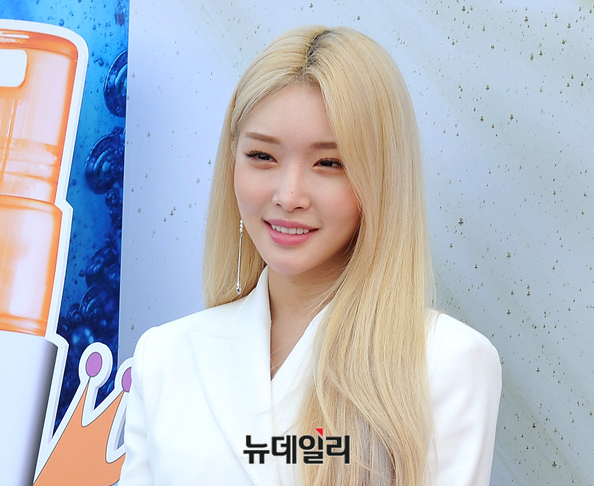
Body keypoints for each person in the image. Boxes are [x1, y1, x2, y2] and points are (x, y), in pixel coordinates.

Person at [119, 25, 501, 486]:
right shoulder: (165, 356)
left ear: (380, 179)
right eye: (262, 156)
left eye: (329, 163)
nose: (289, 195)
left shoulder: (447, 361)